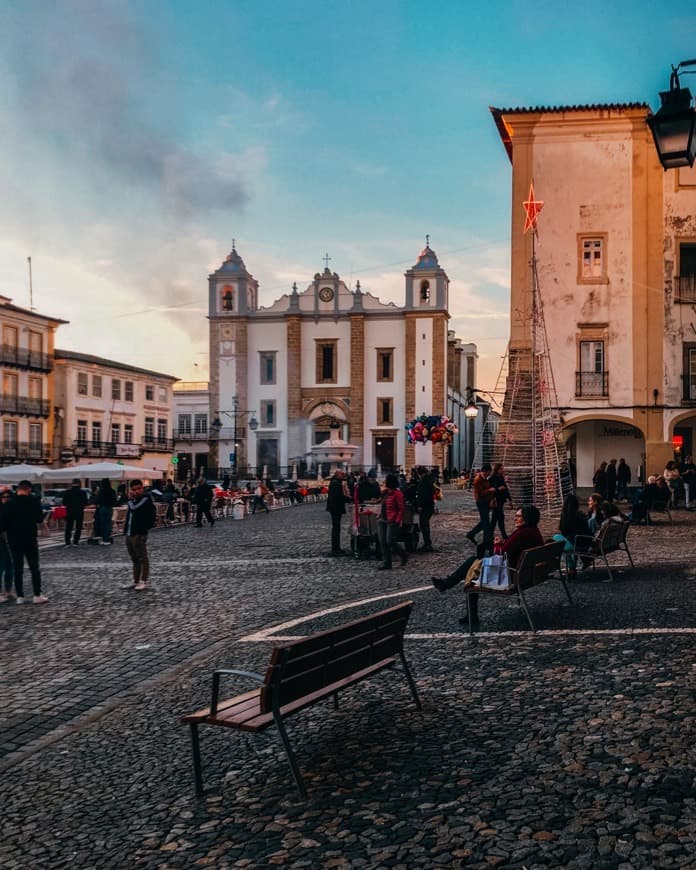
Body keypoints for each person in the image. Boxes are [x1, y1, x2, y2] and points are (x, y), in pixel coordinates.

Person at [431, 504, 543, 630]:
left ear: (527, 518)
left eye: (518, 516)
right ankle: (446, 584)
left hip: (510, 576)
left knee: (472, 570)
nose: (515, 519)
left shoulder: (521, 533)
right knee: (473, 563)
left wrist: (498, 545)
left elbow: (500, 554)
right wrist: (502, 544)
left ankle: (450, 590)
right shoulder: (534, 531)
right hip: (525, 574)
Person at [1, 480, 47, 604]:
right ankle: (37, 595)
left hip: (14, 540)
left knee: (17, 568)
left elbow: (3, 526)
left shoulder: (8, 504)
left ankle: (20, 596)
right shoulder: (34, 502)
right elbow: (39, 519)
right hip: (29, 538)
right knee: (34, 567)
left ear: (18, 489)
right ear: (29, 489)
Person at [123, 479, 156, 591]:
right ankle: (135, 581)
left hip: (139, 533)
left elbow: (134, 509)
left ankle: (143, 581)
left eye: (138, 489)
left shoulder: (145, 499)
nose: (136, 491)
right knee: (134, 558)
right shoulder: (134, 500)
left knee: (142, 557)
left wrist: (130, 499)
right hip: (130, 532)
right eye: (134, 489)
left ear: (142, 488)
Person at [552, 493, 590, 578]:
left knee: (556, 539)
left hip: (576, 543)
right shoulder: (582, 515)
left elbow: (563, 531)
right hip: (585, 542)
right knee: (565, 542)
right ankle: (571, 568)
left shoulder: (566, 515)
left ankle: (571, 567)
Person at [377, 473, 408, 570]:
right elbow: (381, 503)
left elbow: (401, 508)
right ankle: (387, 562)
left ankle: (403, 554)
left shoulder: (397, 494)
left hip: (392, 519)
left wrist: (397, 520)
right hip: (382, 519)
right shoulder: (385, 493)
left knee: (390, 541)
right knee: (382, 542)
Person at [466, 463, 494, 546]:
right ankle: (487, 540)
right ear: (485, 471)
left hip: (485, 501)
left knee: (484, 521)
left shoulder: (484, 478)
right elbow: (479, 493)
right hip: (481, 502)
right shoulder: (478, 480)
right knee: (485, 522)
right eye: (489, 472)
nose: (489, 474)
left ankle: (471, 534)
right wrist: (490, 490)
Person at [326, 470, 350, 555]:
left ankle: (336, 547)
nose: (343, 476)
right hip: (336, 508)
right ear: (337, 475)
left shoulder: (335, 482)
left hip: (334, 507)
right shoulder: (336, 483)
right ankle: (336, 548)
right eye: (342, 474)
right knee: (336, 528)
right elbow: (339, 497)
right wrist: (349, 499)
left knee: (336, 528)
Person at [62, 478, 88, 547]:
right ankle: (75, 542)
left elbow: (64, 502)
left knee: (68, 527)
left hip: (70, 511)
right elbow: (85, 503)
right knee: (78, 527)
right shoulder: (83, 492)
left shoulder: (67, 492)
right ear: (79, 484)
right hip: (79, 511)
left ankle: (67, 542)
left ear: (72, 483)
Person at [488, 462, 512, 539]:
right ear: (497, 469)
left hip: (501, 500)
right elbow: (490, 490)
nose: (503, 470)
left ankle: (490, 534)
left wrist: (509, 499)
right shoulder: (492, 478)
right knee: (500, 518)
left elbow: (506, 488)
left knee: (495, 519)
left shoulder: (501, 477)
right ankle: (504, 535)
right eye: (501, 469)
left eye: (503, 469)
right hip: (496, 500)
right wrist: (498, 489)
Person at [415, 465, 435, 552]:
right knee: (425, 525)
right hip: (429, 505)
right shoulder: (429, 479)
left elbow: (422, 494)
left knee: (424, 525)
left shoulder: (423, 481)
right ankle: (427, 543)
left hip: (425, 506)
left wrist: (420, 505)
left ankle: (428, 544)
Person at [0, 489, 15, 602]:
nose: (6, 498)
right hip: (1, 540)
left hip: (7, 541)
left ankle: (8, 591)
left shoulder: (11, 509)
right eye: (4, 496)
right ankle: (0, 592)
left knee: (9, 565)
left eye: (8, 497)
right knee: (1, 566)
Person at [95, 478, 117, 545]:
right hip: (109, 508)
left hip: (102, 508)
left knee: (103, 524)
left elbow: (97, 501)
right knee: (108, 523)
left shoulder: (101, 491)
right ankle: (107, 538)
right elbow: (114, 501)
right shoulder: (112, 491)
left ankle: (104, 538)